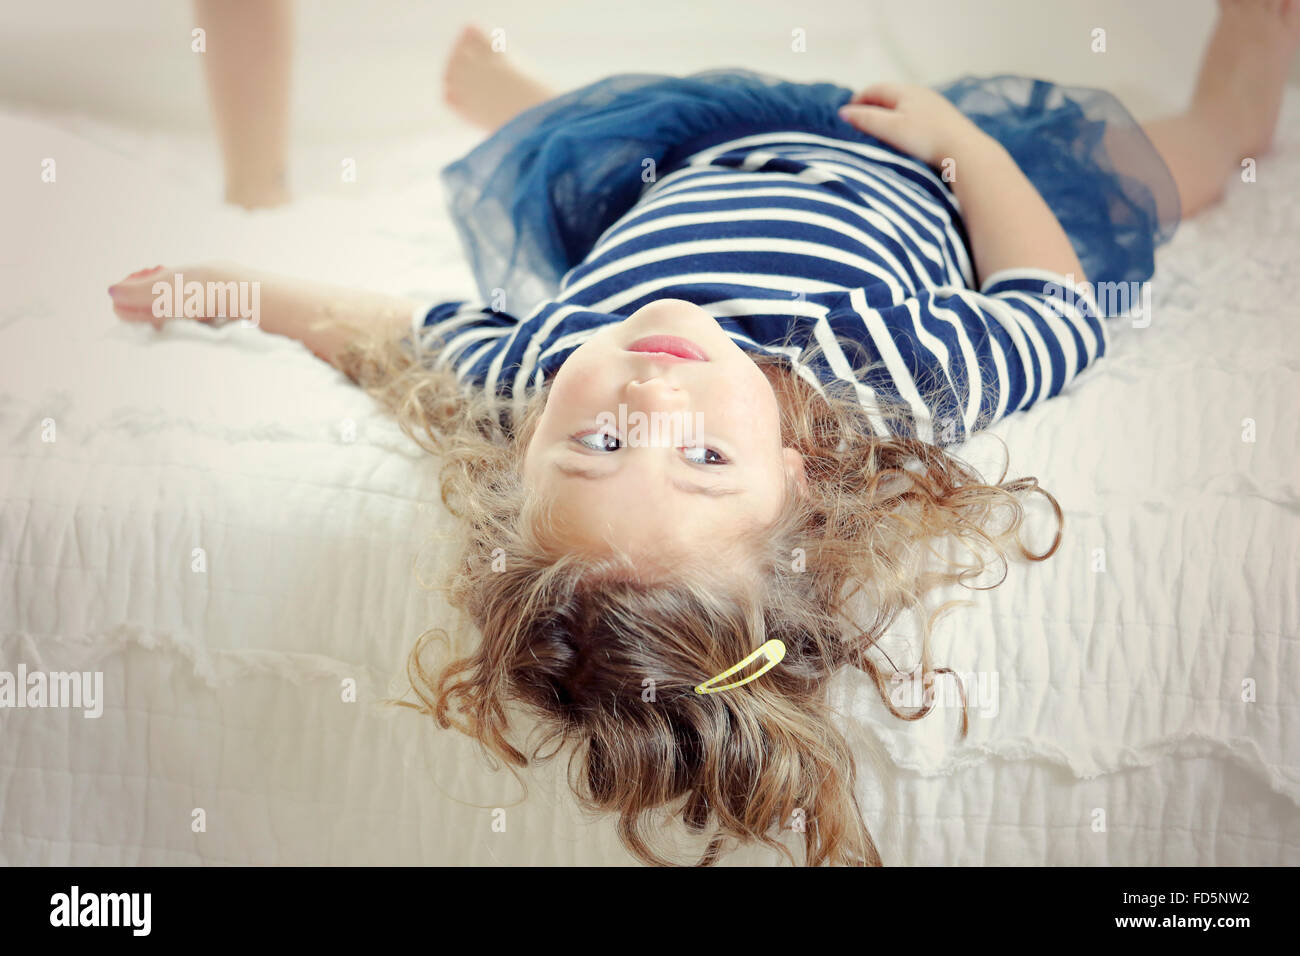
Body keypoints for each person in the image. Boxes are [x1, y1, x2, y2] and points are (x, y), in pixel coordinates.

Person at [107, 2, 1300, 865]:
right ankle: (1237, 100)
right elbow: (1050, 302)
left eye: (596, 445)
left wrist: (229, 291)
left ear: (521, 448)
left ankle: (534, 121)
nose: (650, 401)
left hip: (689, 157)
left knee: (586, 169)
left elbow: (377, 329)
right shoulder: (879, 379)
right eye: (707, 461)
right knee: (1154, 176)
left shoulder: (539, 366)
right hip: (919, 169)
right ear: (798, 472)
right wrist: (963, 146)